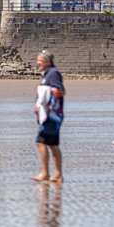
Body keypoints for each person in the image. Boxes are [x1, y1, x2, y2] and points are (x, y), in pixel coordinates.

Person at [32, 51, 64, 183]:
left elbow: (61, 91)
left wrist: (50, 98)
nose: (38, 63)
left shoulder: (53, 73)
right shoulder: (47, 74)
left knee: (40, 142)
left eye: (40, 61)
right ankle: (58, 175)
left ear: (48, 61)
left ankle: (45, 173)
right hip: (47, 115)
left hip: (51, 116)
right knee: (52, 145)